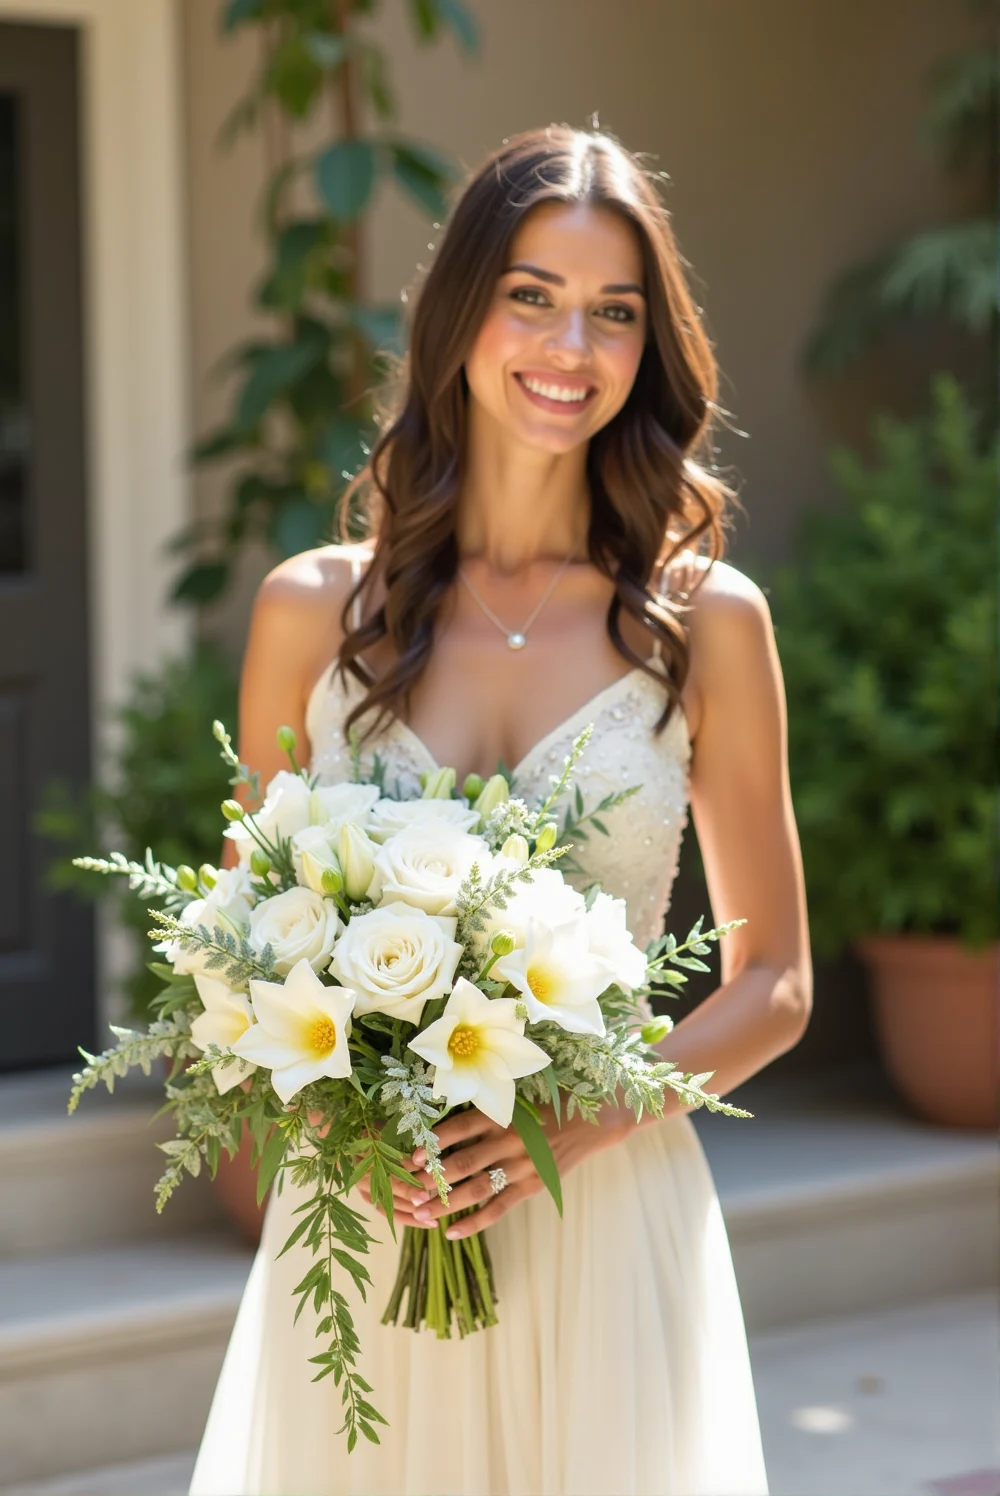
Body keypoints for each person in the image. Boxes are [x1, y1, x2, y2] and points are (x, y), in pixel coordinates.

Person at [189, 124, 811, 1496]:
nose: (569, 347)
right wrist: (353, 1106)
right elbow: (243, 954)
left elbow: (774, 982)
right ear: (462, 311)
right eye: (532, 295)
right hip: (366, 1227)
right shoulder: (311, 611)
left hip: (607, 1212)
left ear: (649, 349)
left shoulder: (706, 626)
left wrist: (569, 1131)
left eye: (613, 314)